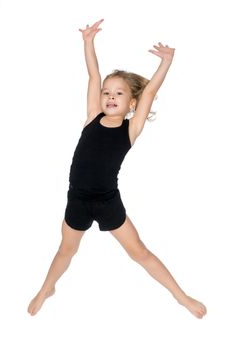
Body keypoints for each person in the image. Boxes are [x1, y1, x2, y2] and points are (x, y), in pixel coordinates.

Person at [27, 19, 207, 319]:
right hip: (78, 199)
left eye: (119, 93)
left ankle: (181, 297)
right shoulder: (92, 116)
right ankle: (47, 287)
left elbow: (149, 93)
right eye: (107, 92)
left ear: (131, 103)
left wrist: (166, 63)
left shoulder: (130, 129)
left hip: (108, 200)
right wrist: (88, 42)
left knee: (139, 253)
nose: (110, 96)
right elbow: (93, 75)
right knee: (66, 251)